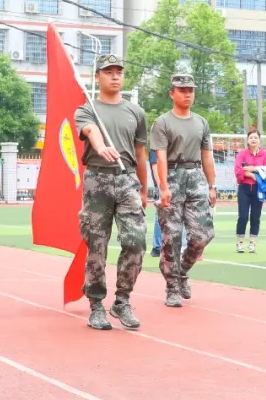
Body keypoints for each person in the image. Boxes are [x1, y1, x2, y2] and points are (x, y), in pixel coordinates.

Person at [74, 54, 149, 331]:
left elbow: (141, 153)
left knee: (136, 241)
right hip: (98, 178)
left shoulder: (136, 112)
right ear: (98, 77)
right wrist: (101, 145)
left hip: (128, 178)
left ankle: (122, 300)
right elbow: (90, 130)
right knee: (97, 244)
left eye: (119, 72)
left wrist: (144, 188)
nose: (115, 76)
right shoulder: (87, 108)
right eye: (108, 72)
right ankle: (95, 305)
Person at [151, 74, 216, 308]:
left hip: (196, 176)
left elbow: (207, 155)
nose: (187, 94)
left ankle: (181, 272)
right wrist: (164, 187)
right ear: (172, 93)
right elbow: (160, 157)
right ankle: (172, 287)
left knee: (202, 236)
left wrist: (212, 185)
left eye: (191, 90)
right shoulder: (162, 123)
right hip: (172, 177)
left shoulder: (201, 122)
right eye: (182, 90)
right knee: (172, 237)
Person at [234, 129, 266, 254]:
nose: (253, 140)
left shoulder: (264, 155)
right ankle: (239, 243)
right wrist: (252, 175)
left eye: (256, 137)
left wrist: (252, 168)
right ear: (247, 140)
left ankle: (252, 243)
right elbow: (238, 171)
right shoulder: (242, 154)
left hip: (258, 189)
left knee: (255, 217)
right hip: (244, 188)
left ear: (259, 140)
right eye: (251, 138)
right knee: (243, 216)